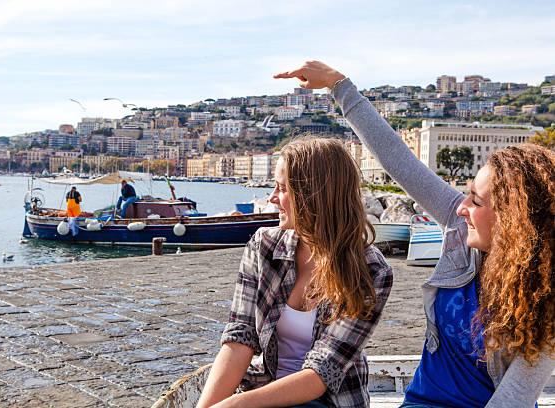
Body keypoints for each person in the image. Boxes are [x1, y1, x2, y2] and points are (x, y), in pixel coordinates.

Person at [274, 61, 554, 408]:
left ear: (513, 220)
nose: (462, 207)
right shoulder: (459, 229)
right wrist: (337, 84)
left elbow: (513, 400)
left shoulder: (545, 297)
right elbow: (398, 159)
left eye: (476, 201)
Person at [196, 138, 393, 408]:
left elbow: (322, 372)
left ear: (315, 196)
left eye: (282, 188)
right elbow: (239, 339)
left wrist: (235, 405)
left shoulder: (370, 271)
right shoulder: (263, 246)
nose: (272, 198)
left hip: (327, 401)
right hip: (262, 392)